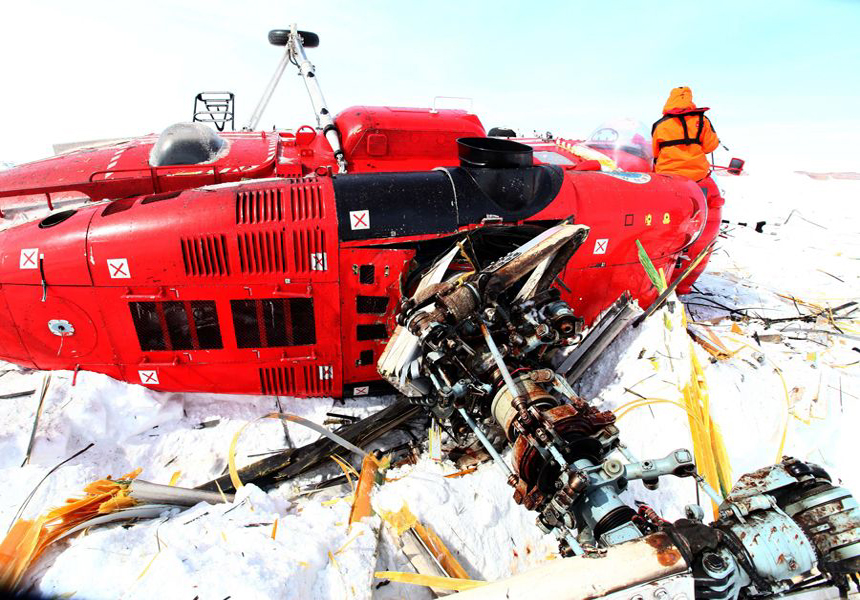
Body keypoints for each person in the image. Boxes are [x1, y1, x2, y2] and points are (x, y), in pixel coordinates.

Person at [651, 86, 723, 294]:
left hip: (667, 179)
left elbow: (655, 150)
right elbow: (711, 146)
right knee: (701, 231)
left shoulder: (660, 124)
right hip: (697, 180)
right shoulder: (702, 121)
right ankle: (682, 283)